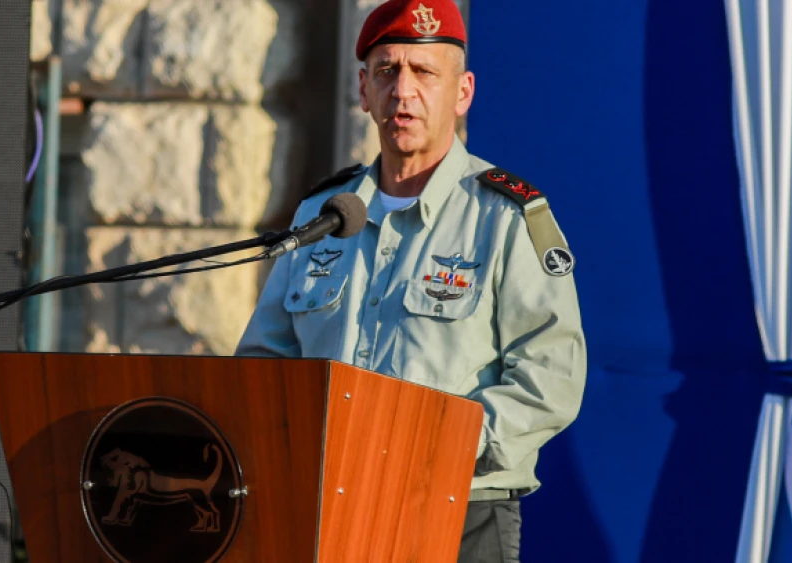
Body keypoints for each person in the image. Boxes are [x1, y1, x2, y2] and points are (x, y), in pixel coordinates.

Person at [235, 0, 587, 560]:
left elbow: (550, 378)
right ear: (363, 91)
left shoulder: (507, 217)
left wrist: (434, 448)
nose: (403, 91)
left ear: (463, 92)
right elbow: (263, 363)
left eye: (424, 72)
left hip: (456, 510)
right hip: (324, 506)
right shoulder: (322, 216)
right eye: (387, 72)